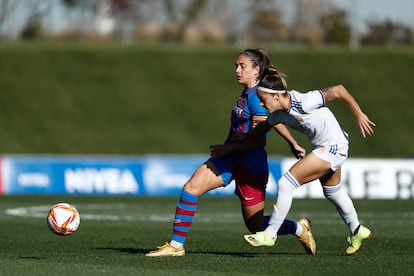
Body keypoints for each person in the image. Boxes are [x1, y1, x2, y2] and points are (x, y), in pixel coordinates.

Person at [145, 49, 316, 257]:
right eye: (236, 65)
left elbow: (259, 138)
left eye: (242, 66)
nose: (237, 70)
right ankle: (176, 245)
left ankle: (299, 229)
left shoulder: (257, 98)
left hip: (251, 164)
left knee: (255, 225)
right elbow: (273, 121)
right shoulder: (249, 94)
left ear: (256, 70)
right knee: (191, 188)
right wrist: (292, 142)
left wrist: (228, 148)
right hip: (229, 158)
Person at [242, 67, 375, 255]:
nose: (262, 105)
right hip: (325, 147)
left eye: (263, 100)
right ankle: (357, 230)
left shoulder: (305, 101)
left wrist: (359, 114)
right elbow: (265, 126)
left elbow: (338, 90)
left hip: (333, 147)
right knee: (333, 192)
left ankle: (270, 234)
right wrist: (242, 139)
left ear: (277, 97)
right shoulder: (277, 114)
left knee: (285, 184)